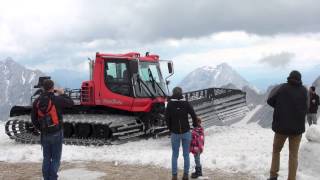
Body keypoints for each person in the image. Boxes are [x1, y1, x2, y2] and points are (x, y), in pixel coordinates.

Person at [266, 70, 308, 180]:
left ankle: (273, 176)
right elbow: (307, 107)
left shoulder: (281, 87)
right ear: (300, 79)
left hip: (281, 128)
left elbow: (270, 100)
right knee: (293, 156)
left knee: (276, 151)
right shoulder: (304, 91)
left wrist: (280, 106)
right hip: (297, 130)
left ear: (289, 77)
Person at [31, 79, 74, 180]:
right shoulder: (56, 99)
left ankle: (46, 178)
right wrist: (63, 94)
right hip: (56, 133)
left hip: (45, 134)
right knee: (55, 158)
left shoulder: (37, 101)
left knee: (46, 158)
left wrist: (42, 129)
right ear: (52, 88)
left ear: (43, 88)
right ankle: (52, 178)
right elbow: (71, 103)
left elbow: (33, 119)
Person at [165, 87, 198, 180]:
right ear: (181, 93)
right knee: (186, 154)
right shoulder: (186, 103)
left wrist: (170, 128)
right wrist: (195, 124)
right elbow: (193, 114)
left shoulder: (170, 104)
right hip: (186, 132)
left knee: (175, 154)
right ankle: (185, 175)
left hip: (175, 133)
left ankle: (174, 176)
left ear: (173, 93)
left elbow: (166, 118)